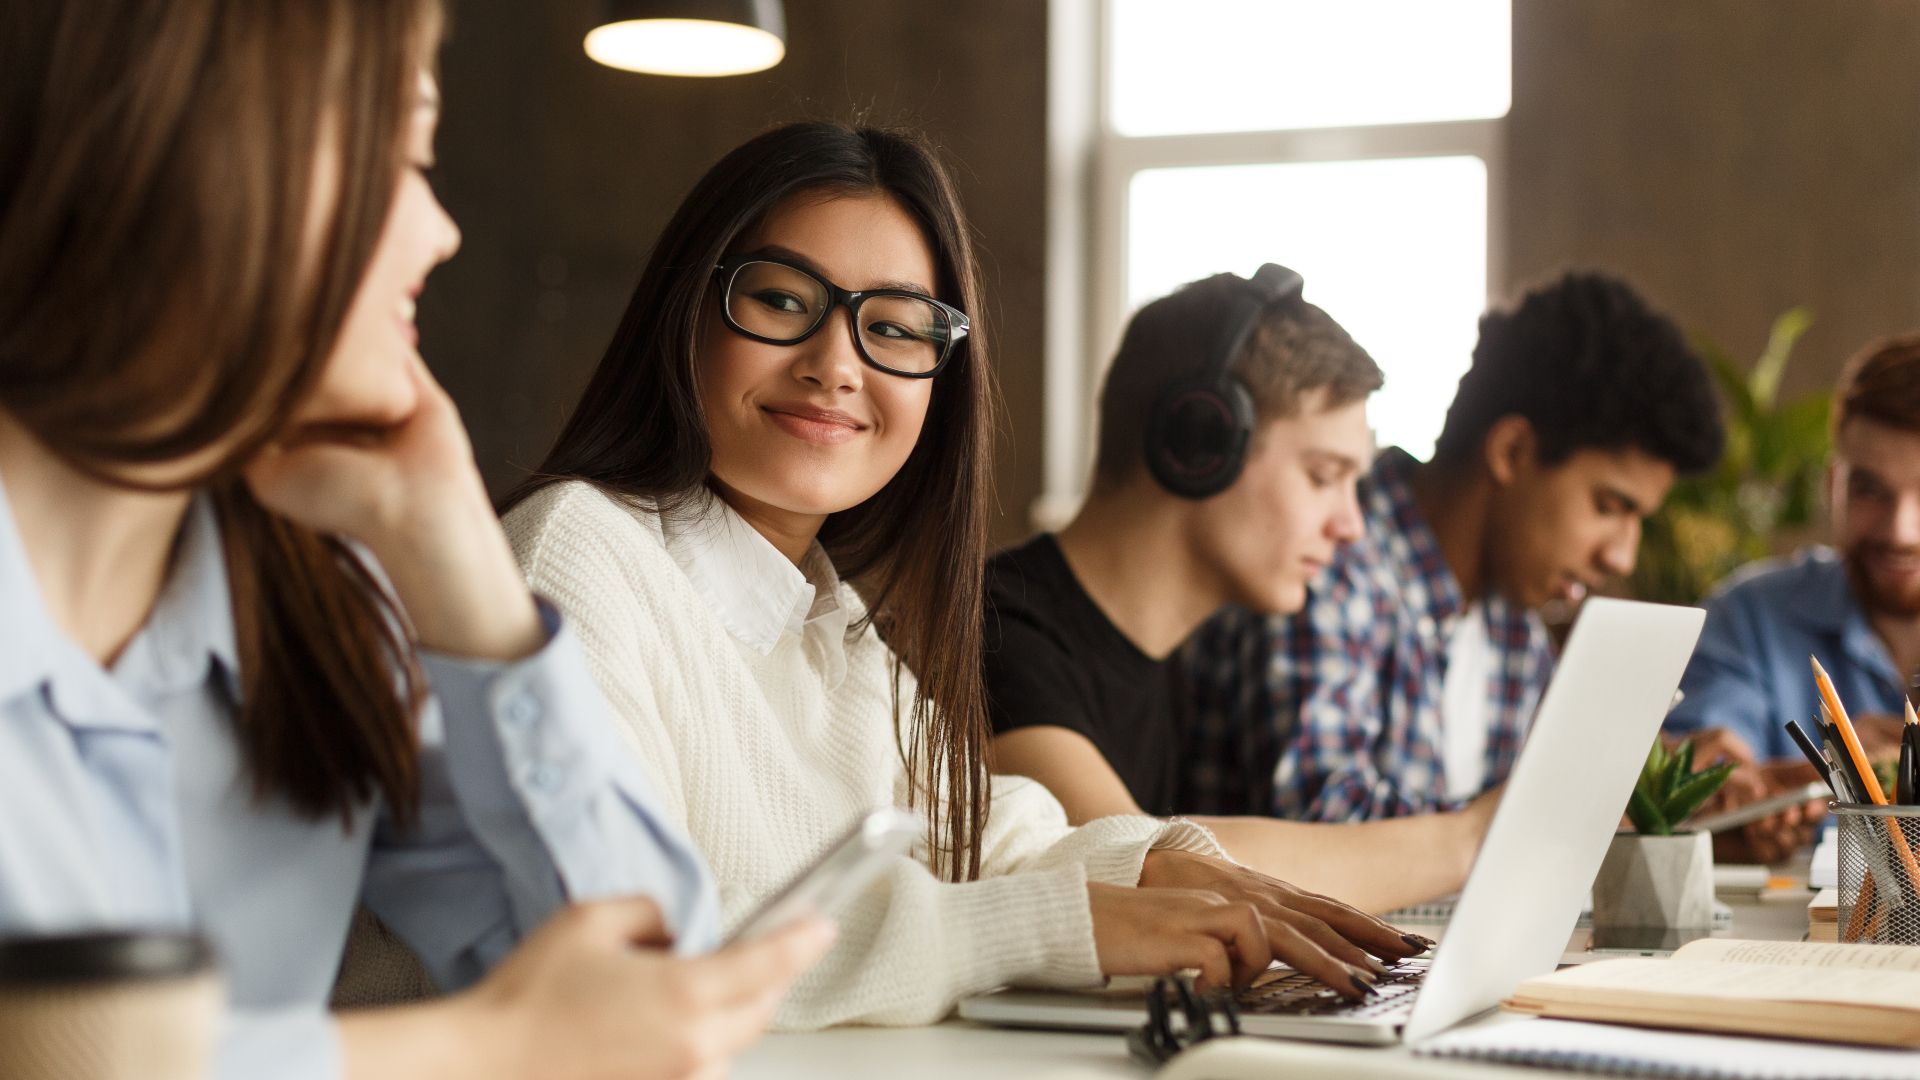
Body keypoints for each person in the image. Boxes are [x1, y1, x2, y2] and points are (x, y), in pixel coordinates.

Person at [0, 3, 830, 1078]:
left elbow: (654, 990)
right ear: (205, 157)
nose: (440, 232)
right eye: (403, 157)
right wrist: (482, 1048)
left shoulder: (318, 591)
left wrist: (466, 577)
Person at [502, 122, 1430, 1030]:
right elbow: (629, 950)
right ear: (687, 316)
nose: (836, 366)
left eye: (896, 328)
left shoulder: (824, 616)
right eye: (784, 301)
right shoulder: (573, 554)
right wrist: (1060, 923)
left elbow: (982, 831)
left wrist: (1159, 866)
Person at [984, 271, 1499, 913]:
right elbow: (1141, 869)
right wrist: (1477, 837)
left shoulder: (1185, 664)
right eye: (1322, 476)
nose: (1352, 525)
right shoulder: (995, 634)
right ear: (1199, 443)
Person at [1183, 272, 1726, 824]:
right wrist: (1569, 818)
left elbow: (1537, 818)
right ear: (1511, 451)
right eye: (1609, 507)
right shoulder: (1324, 561)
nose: (1622, 557)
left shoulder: (1513, 622)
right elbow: (1324, 819)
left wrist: (1681, 803)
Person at [1665, 334, 1920, 860]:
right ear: (1832, 488)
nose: (1901, 531)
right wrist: (1730, 788)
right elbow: (1704, 769)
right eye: (1869, 489)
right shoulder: (1747, 616)